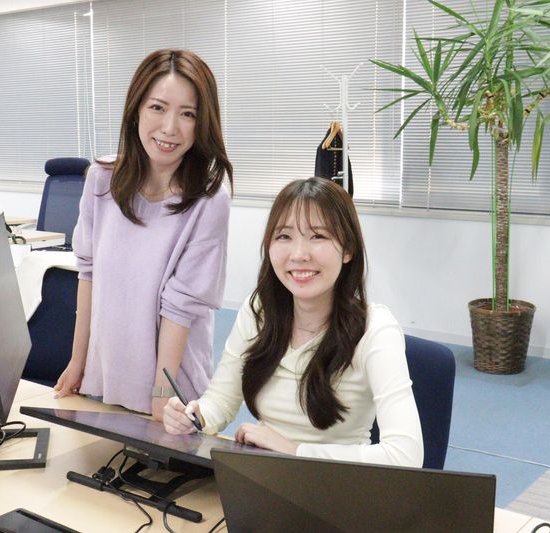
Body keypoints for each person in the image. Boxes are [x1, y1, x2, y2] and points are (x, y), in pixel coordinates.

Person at [163, 178, 423, 466]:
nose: (299, 254)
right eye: (284, 236)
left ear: (348, 249)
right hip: (265, 476)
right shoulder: (259, 312)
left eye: (318, 236)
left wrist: (294, 450)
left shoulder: (375, 329)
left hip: (340, 484)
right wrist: (195, 415)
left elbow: (405, 457)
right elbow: (221, 400)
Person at [54, 49, 233, 421]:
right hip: (104, 378)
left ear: (202, 123)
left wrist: (161, 395)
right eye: (157, 108)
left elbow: (180, 307)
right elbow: (88, 274)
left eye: (188, 114)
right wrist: (78, 362)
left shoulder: (209, 198)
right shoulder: (101, 179)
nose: (170, 128)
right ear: (136, 109)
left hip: (170, 388)